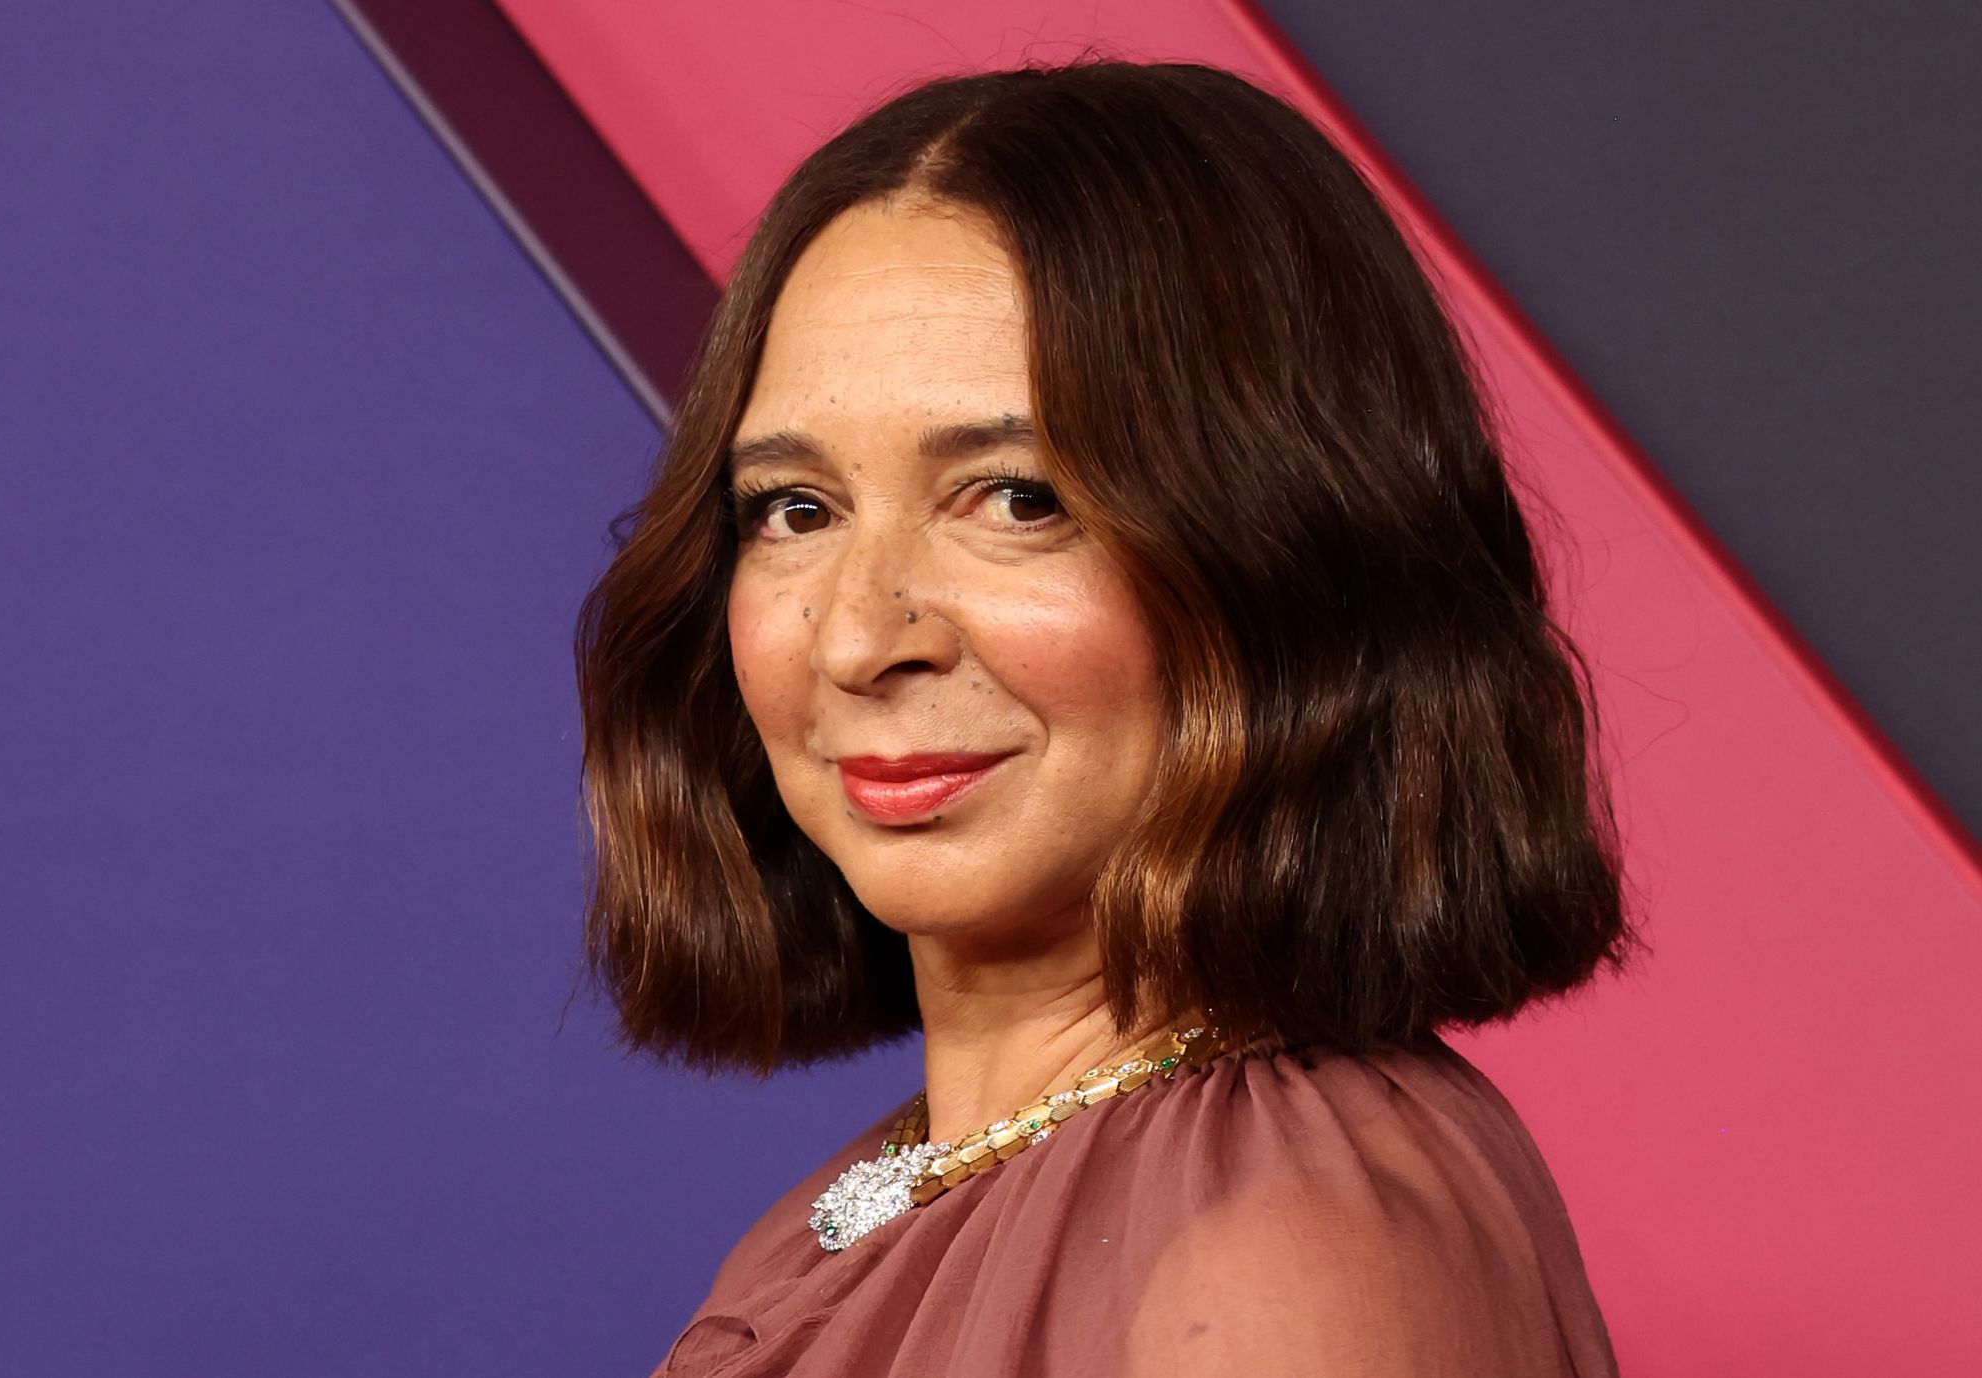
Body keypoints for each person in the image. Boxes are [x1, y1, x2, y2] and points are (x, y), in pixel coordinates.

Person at [575, 58, 1633, 1377]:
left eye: (1015, 498)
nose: (856, 636)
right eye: (796, 507)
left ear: (1285, 558)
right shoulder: (885, 1193)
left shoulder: (1282, 1259)